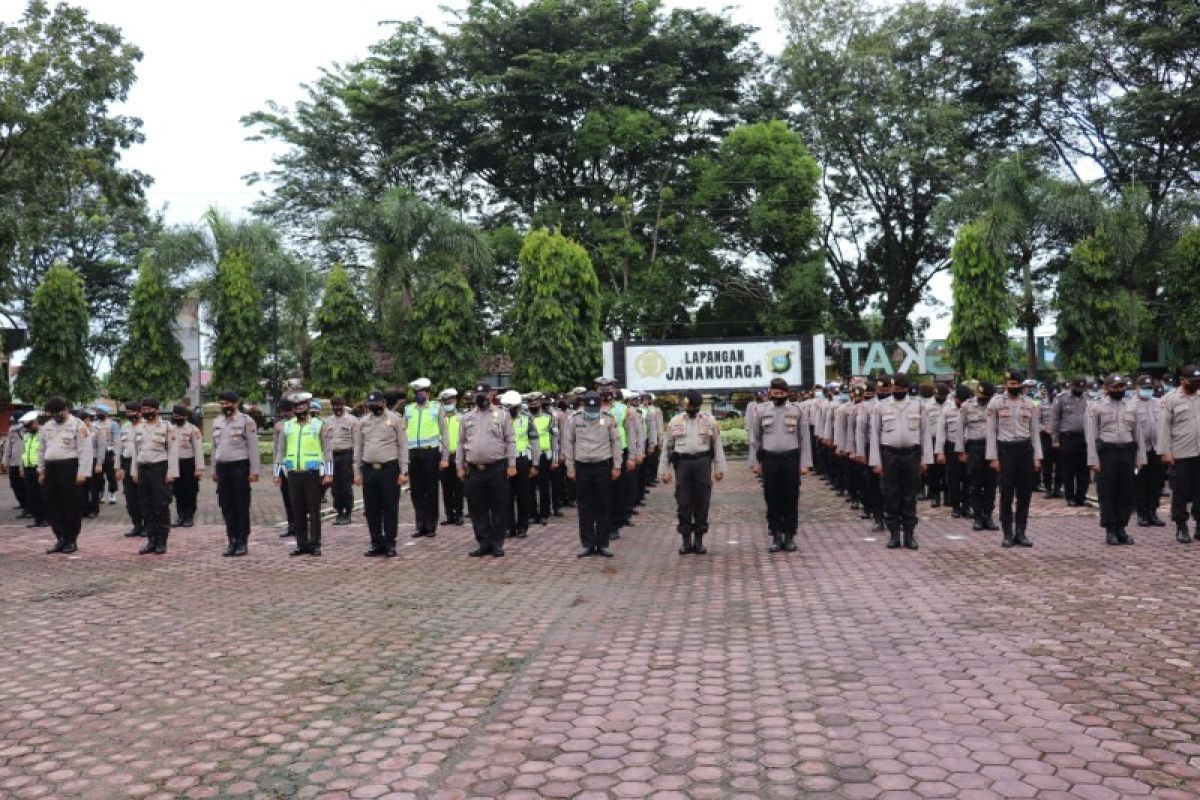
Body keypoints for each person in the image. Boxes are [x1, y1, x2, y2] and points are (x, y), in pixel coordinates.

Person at [869, 374, 933, 550]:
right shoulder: (881, 406)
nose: (898, 391)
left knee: (909, 496)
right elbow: (874, 435)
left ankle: (910, 535)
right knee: (891, 495)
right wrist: (876, 462)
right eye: (895, 388)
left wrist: (926, 460)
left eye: (901, 389)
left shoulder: (917, 405)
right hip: (889, 455)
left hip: (911, 455)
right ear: (891, 388)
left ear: (907, 389)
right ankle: (894, 535)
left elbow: (925, 434)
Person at [749, 377, 813, 553]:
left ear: (787, 394)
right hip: (770, 459)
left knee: (791, 498)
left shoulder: (797, 410)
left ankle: (790, 535)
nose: (778, 396)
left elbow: (804, 439)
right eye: (775, 393)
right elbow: (755, 438)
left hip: (790, 459)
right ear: (770, 393)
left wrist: (805, 464)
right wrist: (755, 462)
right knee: (772, 498)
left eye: (781, 393)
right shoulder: (761, 411)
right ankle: (776, 535)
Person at [660, 389, 726, 555]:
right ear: (684, 405)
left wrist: (719, 469)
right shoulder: (675, 421)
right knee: (683, 503)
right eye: (688, 407)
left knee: (702, 502)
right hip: (682, 465)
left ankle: (699, 541)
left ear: (698, 406)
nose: (691, 410)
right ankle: (685, 541)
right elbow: (667, 448)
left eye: (694, 407)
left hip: (703, 463)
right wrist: (664, 471)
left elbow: (717, 445)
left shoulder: (709, 420)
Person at [458, 383, 517, 557]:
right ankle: (483, 543)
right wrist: (459, 465)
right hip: (474, 470)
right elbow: (460, 443)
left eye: (484, 393)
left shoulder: (502, 415)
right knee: (478, 509)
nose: (481, 397)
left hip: (496, 469)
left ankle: (497, 543)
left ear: (491, 395)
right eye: (478, 394)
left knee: (499, 507)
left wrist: (512, 464)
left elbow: (510, 440)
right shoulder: (466, 417)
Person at [986, 369, 1043, 548]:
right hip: (1005, 451)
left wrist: (1037, 457)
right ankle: (1007, 534)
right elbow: (991, 432)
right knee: (1006, 494)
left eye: (1018, 384)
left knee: (1024, 494)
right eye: (1011, 384)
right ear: (1006, 384)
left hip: (1025, 450)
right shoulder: (995, 403)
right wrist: (993, 457)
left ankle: (1021, 533)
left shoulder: (1029, 403)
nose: (1015, 387)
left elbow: (1035, 433)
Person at [1086, 374, 1145, 546]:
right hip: (1107, 453)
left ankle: (1122, 528)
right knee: (1108, 492)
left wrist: (1140, 458)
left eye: (1121, 387)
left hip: (1127, 452)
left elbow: (1138, 433)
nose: (1119, 390)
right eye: (1115, 387)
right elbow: (1091, 435)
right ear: (1106, 389)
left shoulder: (1131, 406)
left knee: (1126, 492)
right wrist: (1093, 460)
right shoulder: (1096, 407)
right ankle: (1110, 529)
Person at [563, 391, 621, 557]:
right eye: (589, 408)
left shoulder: (608, 419)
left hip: (602, 466)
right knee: (585, 506)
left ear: (600, 405)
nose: (592, 412)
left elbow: (616, 443)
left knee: (603, 506)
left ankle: (602, 543)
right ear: (584, 405)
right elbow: (569, 443)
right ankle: (587, 543)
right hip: (582, 467)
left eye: (595, 409)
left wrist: (617, 466)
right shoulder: (575, 419)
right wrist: (570, 467)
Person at [354, 389, 409, 558]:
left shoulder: (395, 420)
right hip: (369, 469)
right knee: (371, 509)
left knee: (390, 508)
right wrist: (357, 471)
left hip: (389, 470)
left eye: (376, 404)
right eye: (371, 405)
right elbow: (358, 448)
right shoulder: (362, 422)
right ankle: (376, 542)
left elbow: (403, 446)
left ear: (384, 403)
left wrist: (404, 471)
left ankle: (390, 543)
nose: (373, 407)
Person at [278, 393, 332, 556]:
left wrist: (329, 473)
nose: (299, 408)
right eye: (296, 406)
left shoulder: (319, 425)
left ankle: (315, 543)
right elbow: (280, 451)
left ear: (308, 406)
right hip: (293, 472)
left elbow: (327, 450)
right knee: (297, 509)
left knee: (313, 510)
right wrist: (276, 473)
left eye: (302, 405)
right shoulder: (287, 426)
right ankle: (302, 544)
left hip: (312, 472)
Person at [38, 397, 93, 554]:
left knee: (71, 505)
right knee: (52, 505)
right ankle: (60, 538)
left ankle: (71, 540)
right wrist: (41, 470)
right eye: (52, 413)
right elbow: (41, 450)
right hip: (51, 468)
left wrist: (82, 473)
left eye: (58, 412)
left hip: (69, 468)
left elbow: (85, 450)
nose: (55, 415)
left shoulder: (78, 425)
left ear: (66, 409)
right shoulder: (47, 426)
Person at [211, 390, 259, 557]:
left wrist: (254, 471)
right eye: (222, 404)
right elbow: (214, 448)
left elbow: (253, 447)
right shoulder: (217, 421)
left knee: (241, 505)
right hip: (222, 468)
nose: (225, 407)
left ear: (236, 404)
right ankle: (231, 539)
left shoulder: (246, 421)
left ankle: (242, 541)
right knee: (226, 506)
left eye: (227, 403)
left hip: (239, 467)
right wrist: (214, 470)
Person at [130, 397, 178, 555]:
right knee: (146, 505)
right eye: (143, 410)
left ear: (157, 410)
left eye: (149, 409)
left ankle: (162, 541)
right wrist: (134, 472)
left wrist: (171, 473)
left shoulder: (166, 427)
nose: (146, 412)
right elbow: (135, 452)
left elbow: (172, 451)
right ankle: (151, 540)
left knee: (161, 505)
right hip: (143, 469)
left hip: (160, 468)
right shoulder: (139, 427)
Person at [1159, 364, 1200, 543]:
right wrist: (1165, 452)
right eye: (1192, 381)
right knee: (1180, 491)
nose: (1196, 384)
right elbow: (1163, 428)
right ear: (1182, 380)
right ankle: (1181, 526)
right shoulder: (1170, 399)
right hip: (1181, 453)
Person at [958, 381, 999, 532]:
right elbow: (960, 430)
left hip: (992, 447)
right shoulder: (967, 406)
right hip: (974, 447)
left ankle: (988, 516)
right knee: (975, 483)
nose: (983, 399)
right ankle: (977, 518)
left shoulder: (995, 405)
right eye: (981, 396)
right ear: (976, 394)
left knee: (991, 483)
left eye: (986, 397)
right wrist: (961, 451)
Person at [501, 389, 539, 539]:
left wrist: (535, 464)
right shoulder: (500, 420)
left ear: (518, 407)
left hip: (522, 461)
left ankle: (522, 527)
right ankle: (509, 526)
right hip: (505, 461)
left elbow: (535, 442)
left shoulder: (527, 420)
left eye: (513, 408)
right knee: (506, 495)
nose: (510, 411)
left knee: (523, 495)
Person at [1132, 374, 1167, 529]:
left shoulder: (1159, 403)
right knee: (1140, 484)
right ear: (1137, 388)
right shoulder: (1130, 405)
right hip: (1140, 450)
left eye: (1149, 388)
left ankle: (1153, 512)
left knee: (1156, 483)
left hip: (1157, 448)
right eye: (1144, 388)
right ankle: (1141, 514)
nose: (1147, 391)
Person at [320, 395, 359, 526]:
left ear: (344, 406)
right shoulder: (327, 421)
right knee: (335, 487)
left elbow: (356, 441)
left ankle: (347, 512)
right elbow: (325, 442)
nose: (337, 408)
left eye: (339, 406)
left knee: (346, 485)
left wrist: (355, 459)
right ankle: (339, 512)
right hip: (332, 456)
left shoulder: (352, 420)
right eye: (334, 406)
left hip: (346, 454)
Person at [1052, 376, 1091, 507]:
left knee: (1084, 470)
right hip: (1067, 438)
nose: (1080, 390)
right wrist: (1055, 439)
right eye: (1077, 388)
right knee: (1068, 470)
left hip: (1084, 438)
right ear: (1071, 386)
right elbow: (1055, 420)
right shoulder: (1061, 398)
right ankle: (1070, 497)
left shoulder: (1088, 399)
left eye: (1082, 388)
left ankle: (1081, 496)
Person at [936, 386, 971, 519]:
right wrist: (940, 452)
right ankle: (956, 507)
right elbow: (940, 432)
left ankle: (967, 506)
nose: (962, 403)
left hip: (969, 446)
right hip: (952, 447)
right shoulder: (947, 409)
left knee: (969, 478)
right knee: (953, 478)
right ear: (956, 398)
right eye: (960, 400)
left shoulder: (971, 408)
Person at [171, 404, 203, 527]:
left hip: (189, 464)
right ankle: (180, 515)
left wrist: (198, 468)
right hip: (175, 464)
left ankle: (189, 516)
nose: (177, 418)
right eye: (175, 415)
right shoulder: (170, 429)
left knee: (190, 491)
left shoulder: (193, 430)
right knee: (177, 491)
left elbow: (198, 450)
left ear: (185, 416)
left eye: (180, 416)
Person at [116, 401, 144, 537]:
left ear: (140, 412)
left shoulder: (146, 426)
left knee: (143, 496)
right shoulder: (125, 427)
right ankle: (137, 525)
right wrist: (118, 468)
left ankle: (147, 525)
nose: (130, 414)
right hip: (127, 463)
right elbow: (119, 448)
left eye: (133, 412)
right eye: (128, 412)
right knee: (130, 497)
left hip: (142, 464)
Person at [438, 388, 465, 526]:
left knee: (458, 487)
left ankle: (459, 514)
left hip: (458, 456)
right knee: (446, 487)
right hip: (444, 456)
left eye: (451, 401)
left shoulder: (461, 418)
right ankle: (449, 515)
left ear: (455, 401)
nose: (448, 403)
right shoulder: (439, 419)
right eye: (446, 402)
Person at [272, 399, 297, 538]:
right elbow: (276, 450)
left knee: (298, 498)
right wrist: (276, 472)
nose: (285, 413)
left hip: (297, 465)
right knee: (287, 497)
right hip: (283, 465)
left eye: (288, 410)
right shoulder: (279, 426)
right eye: (283, 411)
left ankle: (301, 525)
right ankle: (291, 525)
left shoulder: (300, 424)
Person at [529, 393, 555, 525]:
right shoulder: (526, 418)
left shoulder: (548, 417)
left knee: (544, 486)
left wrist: (554, 458)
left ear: (540, 404)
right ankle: (533, 514)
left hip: (544, 455)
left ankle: (544, 514)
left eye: (536, 404)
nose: (534, 406)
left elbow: (554, 437)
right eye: (531, 404)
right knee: (530, 487)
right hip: (529, 455)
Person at [18, 411, 46, 528]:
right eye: (26, 426)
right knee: (32, 495)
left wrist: (43, 470)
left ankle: (45, 519)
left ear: (35, 423)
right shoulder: (27, 436)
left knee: (42, 494)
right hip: (28, 467)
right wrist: (21, 467)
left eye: (30, 425)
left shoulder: (43, 434)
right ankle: (37, 519)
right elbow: (23, 452)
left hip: (38, 468)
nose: (28, 428)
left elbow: (45, 452)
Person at [1037, 384, 1061, 498]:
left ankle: (1057, 488)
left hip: (1059, 436)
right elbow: (1037, 421)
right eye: (1052, 393)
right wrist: (1044, 429)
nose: (1054, 395)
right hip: (1045, 437)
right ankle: (1048, 488)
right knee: (1047, 464)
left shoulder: (1062, 403)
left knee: (1060, 464)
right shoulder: (1041, 404)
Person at [3, 412, 28, 515]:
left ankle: (28, 507)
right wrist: (5, 460)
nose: (14, 424)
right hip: (13, 463)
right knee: (15, 485)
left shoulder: (27, 429)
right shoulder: (12, 430)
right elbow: (8, 447)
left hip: (25, 463)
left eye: (15, 421)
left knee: (24, 486)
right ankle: (22, 503)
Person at [96, 405, 121, 504]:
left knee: (111, 474)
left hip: (109, 452)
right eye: (98, 412)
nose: (98, 414)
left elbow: (116, 440)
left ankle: (112, 493)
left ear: (106, 413)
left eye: (100, 412)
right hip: (98, 452)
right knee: (99, 474)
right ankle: (101, 493)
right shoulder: (95, 424)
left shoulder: (113, 424)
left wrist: (115, 453)